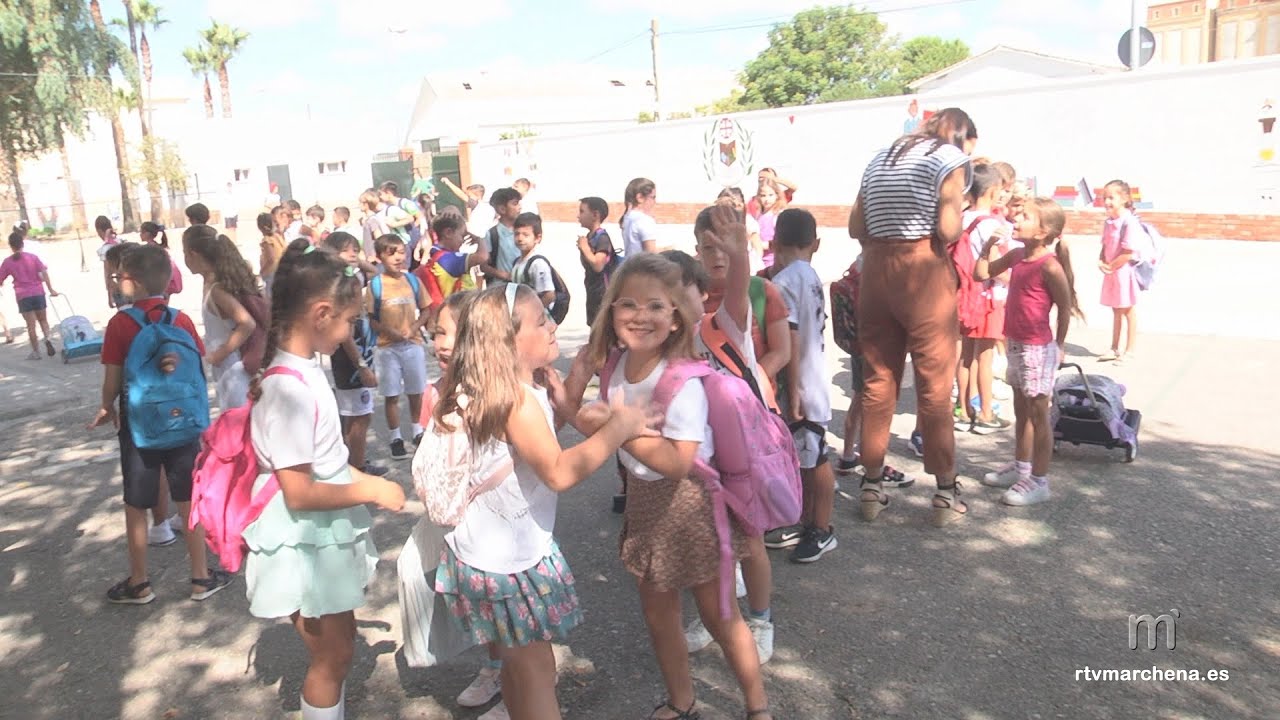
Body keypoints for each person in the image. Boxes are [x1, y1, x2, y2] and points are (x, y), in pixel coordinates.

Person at [424, 283, 656, 720]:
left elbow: (533, 452)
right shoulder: (517, 400)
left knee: (522, 665)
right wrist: (619, 428)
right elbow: (557, 471)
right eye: (541, 320)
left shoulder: (499, 387)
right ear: (508, 341)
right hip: (507, 563)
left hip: (487, 556)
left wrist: (576, 379)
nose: (552, 325)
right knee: (535, 672)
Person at [578, 240, 772, 720]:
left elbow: (678, 461)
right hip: (644, 502)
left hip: (691, 507)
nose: (640, 315)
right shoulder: (617, 365)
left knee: (720, 616)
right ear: (611, 309)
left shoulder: (682, 379)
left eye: (655, 306)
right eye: (628, 303)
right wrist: (589, 411)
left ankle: (757, 707)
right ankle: (682, 702)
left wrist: (618, 429)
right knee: (659, 617)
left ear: (676, 318)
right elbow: (594, 422)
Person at [242, 238, 406, 720]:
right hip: (301, 537)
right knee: (331, 657)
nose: (351, 331)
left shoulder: (307, 371)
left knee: (340, 647)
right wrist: (370, 487)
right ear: (321, 314)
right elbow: (299, 490)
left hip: (318, 535)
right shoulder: (288, 389)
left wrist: (363, 480)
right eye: (350, 320)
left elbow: (328, 460)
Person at [848, 107, 976, 528]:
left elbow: (855, 226)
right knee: (934, 386)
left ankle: (871, 485)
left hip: (876, 274)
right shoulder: (951, 160)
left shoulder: (880, 158)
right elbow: (949, 229)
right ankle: (945, 491)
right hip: (923, 273)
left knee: (877, 382)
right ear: (962, 137)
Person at [87, 243, 233, 604]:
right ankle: (200, 577)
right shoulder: (181, 321)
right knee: (188, 499)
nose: (116, 281)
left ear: (133, 282)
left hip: (139, 426)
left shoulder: (120, 324)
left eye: (119, 276)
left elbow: (112, 378)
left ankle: (140, 582)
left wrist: (106, 406)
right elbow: (195, 366)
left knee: (136, 503)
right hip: (183, 423)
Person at [974, 198, 1081, 506]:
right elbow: (981, 274)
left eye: (1025, 217)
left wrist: (1059, 345)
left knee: (1038, 414)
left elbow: (1064, 308)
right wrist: (987, 247)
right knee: (1021, 410)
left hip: (1037, 348)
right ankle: (1021, 468)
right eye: (1017, 215)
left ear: (1043, 232)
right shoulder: (1018, 255)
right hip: (1015, 344)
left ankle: (1039, 480)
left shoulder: (1049, 266)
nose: (1016, 221)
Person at [761, 209, 837, 563]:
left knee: (815, 459)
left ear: (774, 242)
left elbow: (789, 338)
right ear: (815, 244)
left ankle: (822, 528)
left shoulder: (784, 282)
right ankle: (805, 520)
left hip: (802, 385)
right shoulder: (809, 275)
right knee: (805, 457)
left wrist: (792, 394)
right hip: (811, 378)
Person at [322, 232, 387, 478]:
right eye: (346, 250)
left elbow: (375, 272)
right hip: (350, 358)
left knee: (356, 413)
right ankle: (357, 467)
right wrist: (361, 366)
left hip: (361, 349)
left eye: (355, 250)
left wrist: (357, 261)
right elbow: (346, 334)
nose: (352, 255)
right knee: (360, 415)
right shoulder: (337, 287)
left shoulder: (352, 277)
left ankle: (353, 462)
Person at [954, 164, 1012, 435]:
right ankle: (986, 413)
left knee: (966, 357)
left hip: (964, 295)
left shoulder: (962, 218)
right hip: (988, 297)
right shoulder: (991, 225)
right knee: (984, 358)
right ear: (992, 191)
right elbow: (997, 267)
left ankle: (963, 410)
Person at [367, 234, 430, 461]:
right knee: (391, 394)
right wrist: (388, 331)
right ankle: (395, 437)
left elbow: (426, 309)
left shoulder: (412, 281)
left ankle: (417, 430)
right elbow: (372, 319)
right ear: (380, 257)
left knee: (416, 391)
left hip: (412, 344)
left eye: (401, 253)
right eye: (391, 254)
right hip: (388, 348)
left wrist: (414, 328)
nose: (397, 258)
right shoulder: (376, 285)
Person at [181, 226, 258, 410]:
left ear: (193, 254)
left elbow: (247, 323)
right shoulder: (213, 284)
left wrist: (220, 353)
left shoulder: (216, 290)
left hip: (234, 368)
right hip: (230, 368)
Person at [1098, 180, 1144, 364]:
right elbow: (1105, 245)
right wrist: (1101, 260)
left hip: (1124, 272)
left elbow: (1128, 252)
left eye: (1111, 198)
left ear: (1124, 198)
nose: (1107, 202)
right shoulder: (1109, 222)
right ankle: (1114, 347)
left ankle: (1129, 350)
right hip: (1113, 272)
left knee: (1128, 309)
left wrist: (1111, 266)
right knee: (1116, 309)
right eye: (1104, 198)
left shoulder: (1129, 222)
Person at [415, 212, 487, 318]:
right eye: (462, 235)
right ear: (448, 233)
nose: (463, 241)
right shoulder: (449, 259)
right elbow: (483, 257)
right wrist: (479, 240)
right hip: (460, 312)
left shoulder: (436, 254)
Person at [0, 232, 58, 359]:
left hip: (23, 295)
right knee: (43, 320)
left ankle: (36, 352)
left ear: (11, 246)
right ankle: (47, 338)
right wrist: (51, 289)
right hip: (38, 292)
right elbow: (44, 273)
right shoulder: (33, 257)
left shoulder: (8, 262)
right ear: (22, 244)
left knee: (31, 325)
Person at [575, 196, 619, 327]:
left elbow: (598, 265)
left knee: (602, 326)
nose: (578, 216)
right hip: (592, 290)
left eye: (582, 211)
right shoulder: (589, 237)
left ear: (595, 215)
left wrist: (585, 248)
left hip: (603, 293)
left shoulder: (602, 238)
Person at [510, 213, 560, 315]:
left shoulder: (537, 264)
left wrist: (533, 313)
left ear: (537, 238)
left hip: (537, 317)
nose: (520, 238)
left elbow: (549, 295)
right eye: (516, 234)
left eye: (526, 235)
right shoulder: (517, 262)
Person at [476, 187, 523, 285]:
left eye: (519, 203)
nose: (519, 207)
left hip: (523, 286)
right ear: (502, 209)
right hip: (501, 287)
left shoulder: (523, 231)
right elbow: (483, 266)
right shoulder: (492, 234)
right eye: (515, 204)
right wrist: (505, 275)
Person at [717, 188, 764, 273]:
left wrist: (755, 262)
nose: (733, 209)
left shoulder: (748, 222)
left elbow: (757, 246)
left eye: (737, 206)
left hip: (749, 264)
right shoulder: (718, 222)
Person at [140, 222, 184, 300]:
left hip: (159, 282)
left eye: (142, 232)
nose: (140, 234)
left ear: (148, 233)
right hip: (167, 279)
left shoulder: (148, 249)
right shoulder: (157, 246)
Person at [378, 181, 421, 259]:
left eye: (381, 194)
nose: (380, 197)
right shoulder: (387, 207)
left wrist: (395, 224)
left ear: (389, 193)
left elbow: (418, 218)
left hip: (410, 240)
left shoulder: (405, 203)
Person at [620, 177, 659, 258]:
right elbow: (651, 254)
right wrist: (668, 249)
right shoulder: (644, 220)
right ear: (640, 198)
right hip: (642, 265)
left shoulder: (627, 217)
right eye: (653, 197)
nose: (655, 202)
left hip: (628, 264)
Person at [753, 179, 788, 269]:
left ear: (777, 195)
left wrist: (761, 245)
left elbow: (782, 241)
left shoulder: (777, 215)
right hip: (759, 260)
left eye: (770, 195)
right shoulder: (759, 214)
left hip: (773, 262)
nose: (767, 199)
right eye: (763, 195)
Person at [258, 212, 287, 297]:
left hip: (271, 272)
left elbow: (271, 258)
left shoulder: (267, 240)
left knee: (270, 296)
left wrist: (262, 270)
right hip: (281, 269)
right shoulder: (278, 237)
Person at [96, 216, 122, 308]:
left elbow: (108, 273)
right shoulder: (120, 241)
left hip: (117, 286)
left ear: (99, 231)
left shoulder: (106, 249)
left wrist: (109, 296)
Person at [358, 190, 390, 262]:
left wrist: (375, 257)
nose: (359, 205)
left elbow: (379, 238)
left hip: (374, 259)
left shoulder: (372, 220)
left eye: (360, 203)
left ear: (366, 204)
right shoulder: (368, 219)